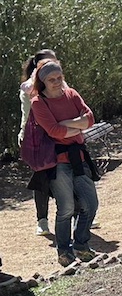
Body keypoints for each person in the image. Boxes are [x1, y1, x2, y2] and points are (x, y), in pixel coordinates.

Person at [30, 61, 99, 267]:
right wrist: (78, 126)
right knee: (67, 207)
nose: (58, 82)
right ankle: (64, 251)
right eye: (52, 80)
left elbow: (90, 119)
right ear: (43, 82)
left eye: (60, 78)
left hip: (78, 157)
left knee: (90, 204)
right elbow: (54, 132)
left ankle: (81, 244)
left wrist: (67, 124)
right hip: (57, 161)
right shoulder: (38, 103)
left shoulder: (71, 94)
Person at [19, 49, 59, 236]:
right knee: (42, 178)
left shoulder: (59, 84)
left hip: (57, 135)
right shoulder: (29, 88)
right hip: (35, 138)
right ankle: (42, 220)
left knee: (67, 175)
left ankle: (79, 214)